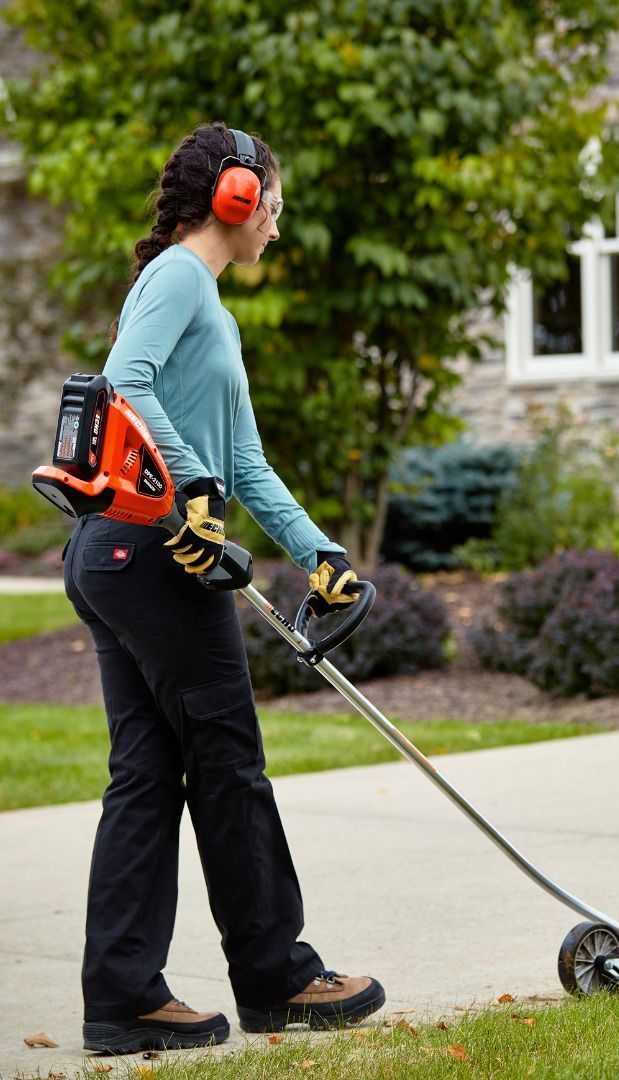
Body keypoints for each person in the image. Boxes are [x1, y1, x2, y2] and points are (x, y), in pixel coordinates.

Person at [62, 122, 384, 1055]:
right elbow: (128, 379)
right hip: (155, 555)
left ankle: (123, 998)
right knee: (231, 765)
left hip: (120, 553)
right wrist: (193, 495)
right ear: (237, 198)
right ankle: (278, 978)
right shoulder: (176, 276)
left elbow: (242, 460)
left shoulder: (210, 305)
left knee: (148, 776)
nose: (276, 226)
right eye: (272, 205)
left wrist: (317, 551)